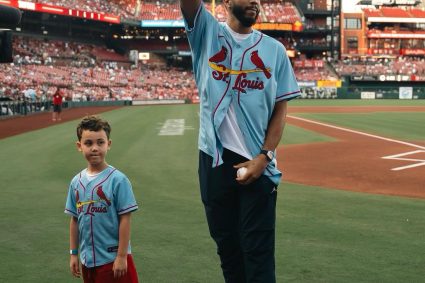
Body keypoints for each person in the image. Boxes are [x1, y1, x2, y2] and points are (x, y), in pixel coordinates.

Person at [180, 0, 301, 282]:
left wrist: (265, 156)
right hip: (214, 159)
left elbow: (280, 111)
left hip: (258, 161)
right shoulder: (207, 34)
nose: (255, 3)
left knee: (258, 252)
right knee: (228, 248)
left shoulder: (275, 51)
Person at [64, 115, 139, 283]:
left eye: (100, 142)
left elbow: (125, 219)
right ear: (79, 146)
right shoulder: (76, 182)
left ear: (109, 144)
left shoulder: (118, 180)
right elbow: (75, 220)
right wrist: (73, 254)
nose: (95, 148)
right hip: (88, 260)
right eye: (88, 143)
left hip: (113, 260)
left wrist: (121, 256)